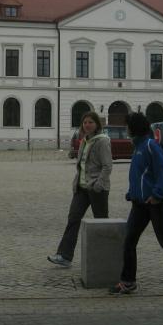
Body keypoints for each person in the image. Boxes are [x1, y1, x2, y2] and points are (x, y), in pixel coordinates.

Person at [109, 112, 163, 294]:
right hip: (140, 203)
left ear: (134, 127)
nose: (126, 129)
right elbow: (139, 175)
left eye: (127, 126)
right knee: (129, 240)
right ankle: (128, 281)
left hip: (157, 203)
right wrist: (132, 193)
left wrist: (158, 195)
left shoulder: (150, 145)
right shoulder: (137, 146)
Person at [48, 111, 112, 267]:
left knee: (101, 222)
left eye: (90, 122)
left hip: (97, 189)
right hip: (81, 188)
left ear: (97, 124)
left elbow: (107, 166)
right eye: (85, 122)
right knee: (73, 219)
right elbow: (81, 165)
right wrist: (76, 182)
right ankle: (64, 256)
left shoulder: (102, 141)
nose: (87, 125)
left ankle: (106, 257)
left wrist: (98, 184)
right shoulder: (84, 140)